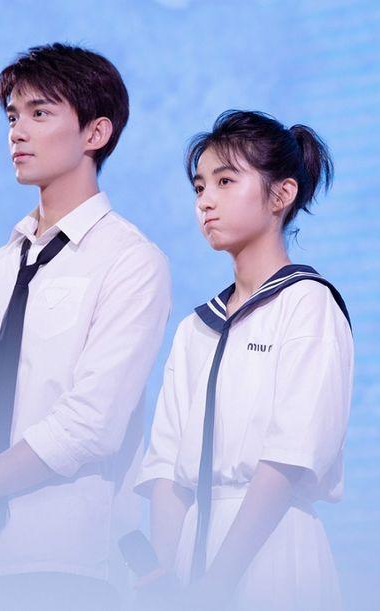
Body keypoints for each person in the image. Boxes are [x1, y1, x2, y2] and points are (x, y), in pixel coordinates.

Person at [0, 43, 171, 611]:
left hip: (65, 563)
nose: (18, 132)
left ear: (96, 132)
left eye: (39, 113)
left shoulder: (131, 261)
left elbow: (90, 424)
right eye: (12, 116)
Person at [134, 110, 353, 611]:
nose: (205, 200)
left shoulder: (308, 303)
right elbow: (166, 467)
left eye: (226, 181)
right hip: (191, 556)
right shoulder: (194, 329)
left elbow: (289, 456)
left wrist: (218, 582)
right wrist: (167, 571)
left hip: (273, 546)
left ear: (281, 195)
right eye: (199, 187)